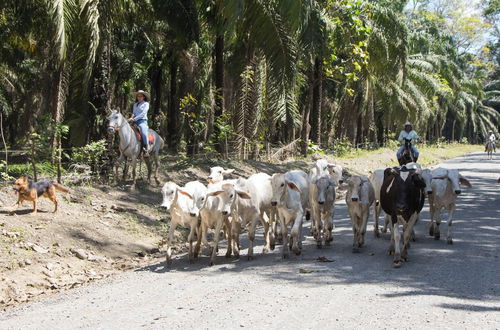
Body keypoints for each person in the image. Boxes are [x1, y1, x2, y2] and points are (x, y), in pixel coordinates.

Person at [129, 90, 151, 156]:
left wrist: (134, 119)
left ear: (143, 97)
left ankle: (146, 148)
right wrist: (131, 118)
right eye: (138, 96)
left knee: (144, 132)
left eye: (141, 96)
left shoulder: (146, 104)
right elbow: (133, 113)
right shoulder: (135, 104)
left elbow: (143, 113)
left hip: (142, 121)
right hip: (134, 121)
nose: (139, 97)